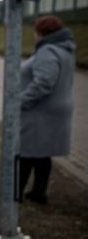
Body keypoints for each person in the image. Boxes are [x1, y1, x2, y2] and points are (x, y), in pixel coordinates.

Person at [18, 15, 75, 205]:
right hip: (54, 110)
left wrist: (20, 102)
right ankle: (38, 193)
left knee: (25, 152)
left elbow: (43, 83)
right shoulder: (64, 50)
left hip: (39, 111)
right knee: (42, 154)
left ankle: (15, 193)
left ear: (40, 32)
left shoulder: (47, 51)